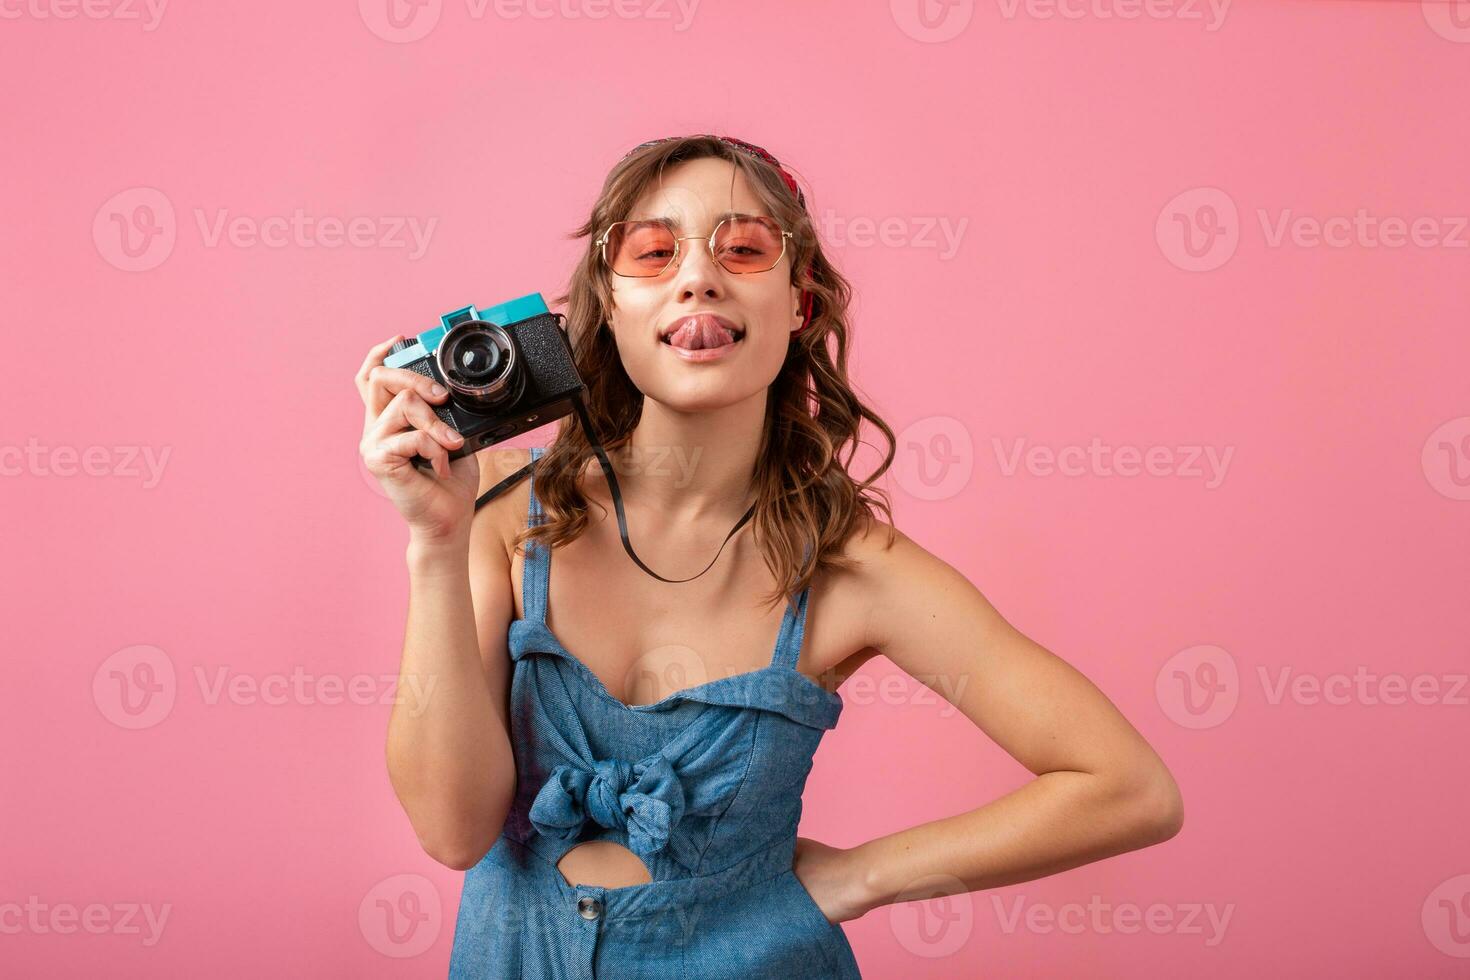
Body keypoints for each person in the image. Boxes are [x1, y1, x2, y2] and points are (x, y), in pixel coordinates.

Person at [356, 134, 1183, 978]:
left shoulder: (854, 569)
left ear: (800, 302)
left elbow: (1129, 789)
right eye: (653, 251)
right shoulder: (498, 514)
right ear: (607, 303)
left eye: (744, 248)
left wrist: (862, 877)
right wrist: (434, 541)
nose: (698, 275)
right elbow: (453, 832)